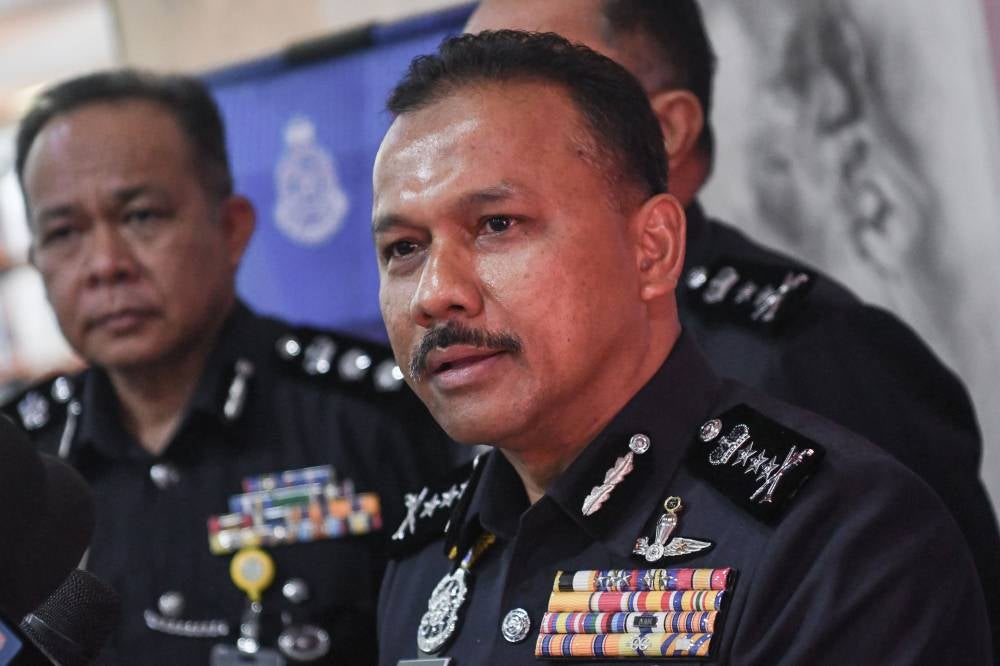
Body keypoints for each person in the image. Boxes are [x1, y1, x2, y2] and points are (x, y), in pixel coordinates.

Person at [372, 31, 991, 664]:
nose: (434, 293)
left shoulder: (834, 539)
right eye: (403, 248)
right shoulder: (426, 552)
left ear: (653, 249)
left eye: (497, 225)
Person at [3, 70, 454, 665]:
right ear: (37, 259)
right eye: (64, 233)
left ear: (232, 228)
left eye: (140, 217)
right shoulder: (19, 465)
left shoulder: (384, 416)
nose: (105, 264)